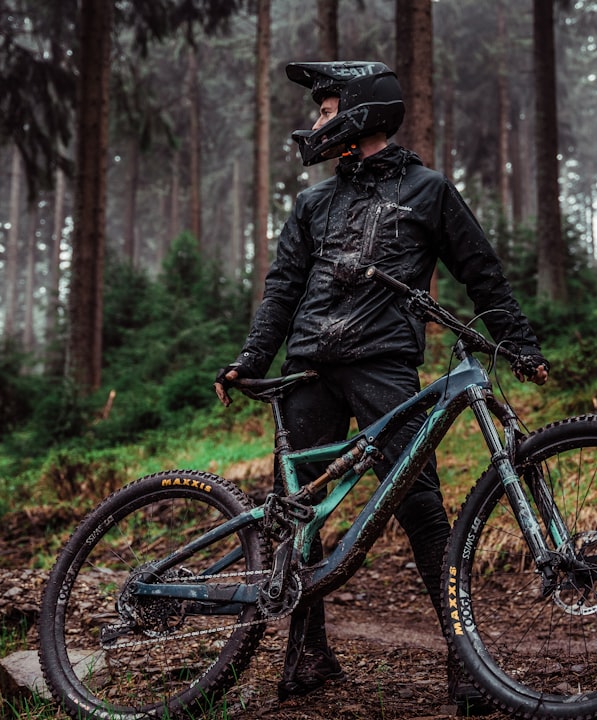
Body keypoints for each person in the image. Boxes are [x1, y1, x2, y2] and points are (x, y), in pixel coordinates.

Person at [215, 60, 549, 713]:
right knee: (299, 511)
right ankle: (305, 653)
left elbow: (481, 273)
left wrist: (519, 344)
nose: (315, 123)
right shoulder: (313, 202)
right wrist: (251, 358)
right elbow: (282, 289)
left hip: (385, 365)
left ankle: (465, 659)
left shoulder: (429, 190)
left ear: (360, 112)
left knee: (420, 506)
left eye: (324, 109)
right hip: (308, 370)